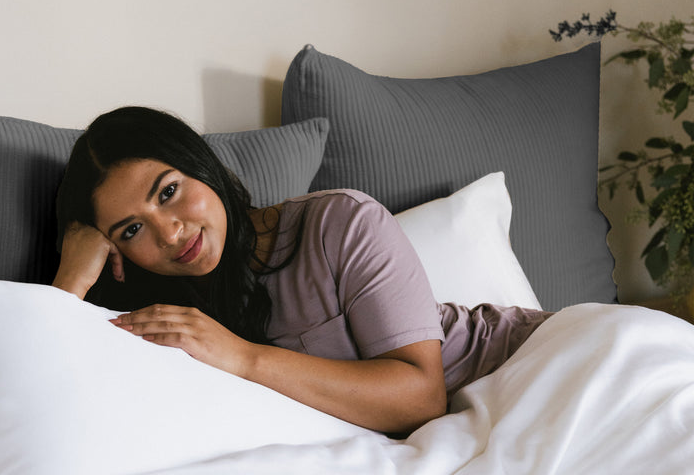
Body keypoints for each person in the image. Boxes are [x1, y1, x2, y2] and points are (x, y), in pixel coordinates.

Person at [53, 106, 551, 436]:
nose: (169, 232)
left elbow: (421, 398)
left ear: (201, 165)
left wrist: (244, 358)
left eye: (168, 192)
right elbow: (57, 405)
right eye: (131, 231)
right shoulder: (156, 316)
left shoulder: (341, 222)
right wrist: (70, 284)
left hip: (529, 365)